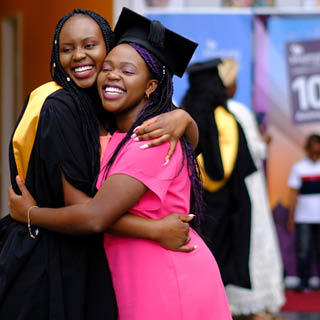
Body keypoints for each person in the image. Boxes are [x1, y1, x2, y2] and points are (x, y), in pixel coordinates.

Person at [9, 7, 232, 320]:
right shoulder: (112, 129)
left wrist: (30, 214)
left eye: (127, 71)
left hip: (165, 277)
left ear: (151, 86)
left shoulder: (150, 140)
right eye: (108, 68)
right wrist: (185, 120)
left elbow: (95, 216)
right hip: (132, 273)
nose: (112, 75)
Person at [218, 58, 285, 320]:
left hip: (224, 191)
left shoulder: (209, 110)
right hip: (249, 185)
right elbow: (255, 151)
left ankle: (232, 301)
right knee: (256, 239)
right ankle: (257, 302)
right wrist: (264, 140)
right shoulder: (238, 111)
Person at [182, 58, 256, 295]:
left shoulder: (181, 120)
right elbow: (237, 168)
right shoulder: (226, 120)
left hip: (190, 203)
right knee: (217, 261)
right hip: (223, 205)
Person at [287, 133, 320, 292]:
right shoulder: (299, 167)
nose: (316, 149)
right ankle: (303, 282)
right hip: (304, 216)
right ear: (308, 148)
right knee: (303, 250)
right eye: (313, 146)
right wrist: (291, 217)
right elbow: (293, 193)